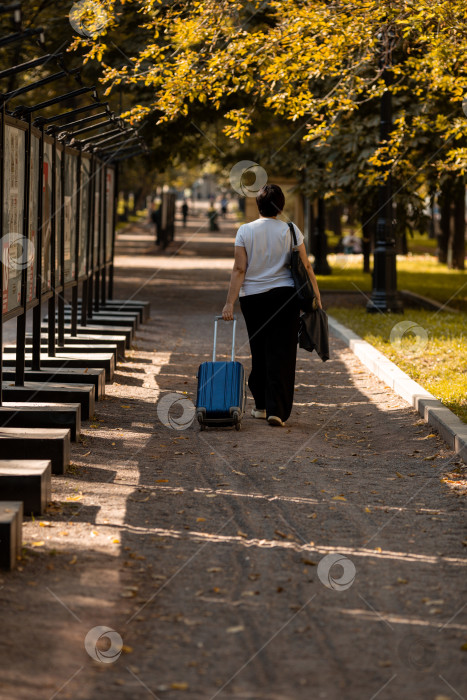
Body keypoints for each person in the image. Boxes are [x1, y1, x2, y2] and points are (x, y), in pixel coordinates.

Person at [222, 184, 322, 427]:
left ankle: (260, 405)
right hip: (284, 298)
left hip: (252, 298)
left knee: (259, 349)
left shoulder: (244, 231)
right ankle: (277, 409)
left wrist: (229, 303)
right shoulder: (291, 230)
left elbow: (239, 269)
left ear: (258, 205)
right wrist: (317, 297)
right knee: (283, 352)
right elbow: (306, 267)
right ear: (281, 206)